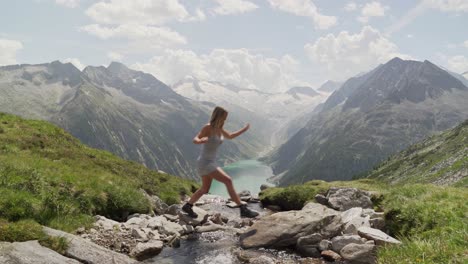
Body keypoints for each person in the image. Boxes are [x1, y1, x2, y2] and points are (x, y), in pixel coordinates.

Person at [182, 106, 259, 218]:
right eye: (224, 117)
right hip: (205, 162)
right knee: (228, 180)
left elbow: (231, 136)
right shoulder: (208, 127)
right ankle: (243, 209)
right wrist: (201, 140)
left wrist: (244, 129)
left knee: (205, 189)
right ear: (218, 116)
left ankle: (188, 206)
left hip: (208, 162)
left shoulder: (220, 129)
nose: (225, 120)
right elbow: (195, 139)